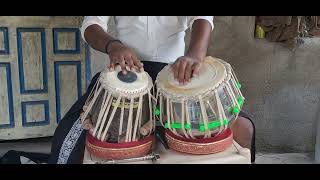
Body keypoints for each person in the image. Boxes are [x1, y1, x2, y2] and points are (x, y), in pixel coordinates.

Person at [48, 16, 255, 164]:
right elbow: (90, 25)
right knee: (69, 137)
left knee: (244, 128)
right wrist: (113, 46)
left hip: (174, 75)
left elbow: (202, 18)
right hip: (127, 74)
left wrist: (195, 55)